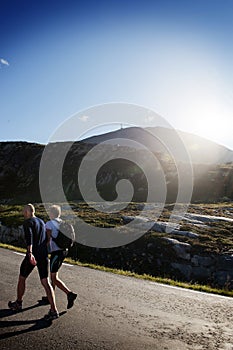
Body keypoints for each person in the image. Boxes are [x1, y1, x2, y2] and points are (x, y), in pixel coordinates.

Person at [8, 204, 59, 320]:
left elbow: (29, 237)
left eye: (23, 210)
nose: (22, 212)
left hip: (33, 255)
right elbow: (47, 238)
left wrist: (30, 253)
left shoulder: (28, 222)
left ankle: (18, 303)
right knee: (46, 282)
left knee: (22, 277)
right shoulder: (41, 221)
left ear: (28, 211)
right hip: (43, 254)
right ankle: (53, 310)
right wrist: (44, 249)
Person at [44, 205, 77, 309]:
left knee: (54, 277)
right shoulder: (62, 222)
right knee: (53, 274)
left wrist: (44, 249)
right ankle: (50, 295)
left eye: (49, 212)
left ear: (52, 213)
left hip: (56, 252)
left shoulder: (49, 224)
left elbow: (48, 239)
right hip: (64, 251)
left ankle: (69, 294)